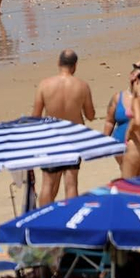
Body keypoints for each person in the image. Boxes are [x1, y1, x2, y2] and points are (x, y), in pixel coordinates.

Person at [32, 49, 96, 204]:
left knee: (48, 183)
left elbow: (35, 117)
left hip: (51, 137)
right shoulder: (82, 86)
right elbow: (90, 115)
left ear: (58, 63)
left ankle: (45, 218)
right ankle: (70, 217)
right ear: (75, 66)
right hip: (73, 137)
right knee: (71, 181)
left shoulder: (45, 85)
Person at [106, 64, 140, 179]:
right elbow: (109, 121)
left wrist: (129, 131)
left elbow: (139, 121)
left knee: (128, 185)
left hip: (134, 145)